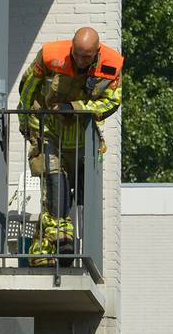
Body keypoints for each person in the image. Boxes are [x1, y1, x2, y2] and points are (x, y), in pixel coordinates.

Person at [17, 27, 122, 261]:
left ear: (97, 51)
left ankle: (44, 253)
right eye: (77, 54)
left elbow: (110, 103)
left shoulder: (111, 66)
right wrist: (25, 122)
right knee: (56, 187)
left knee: (68, 196)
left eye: (87, 57)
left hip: (79, 139)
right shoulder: (50, 56)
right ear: (71, 46)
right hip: (47, 131)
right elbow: (28, 88)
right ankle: (61, 243)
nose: (80, 60)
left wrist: (74, 108)